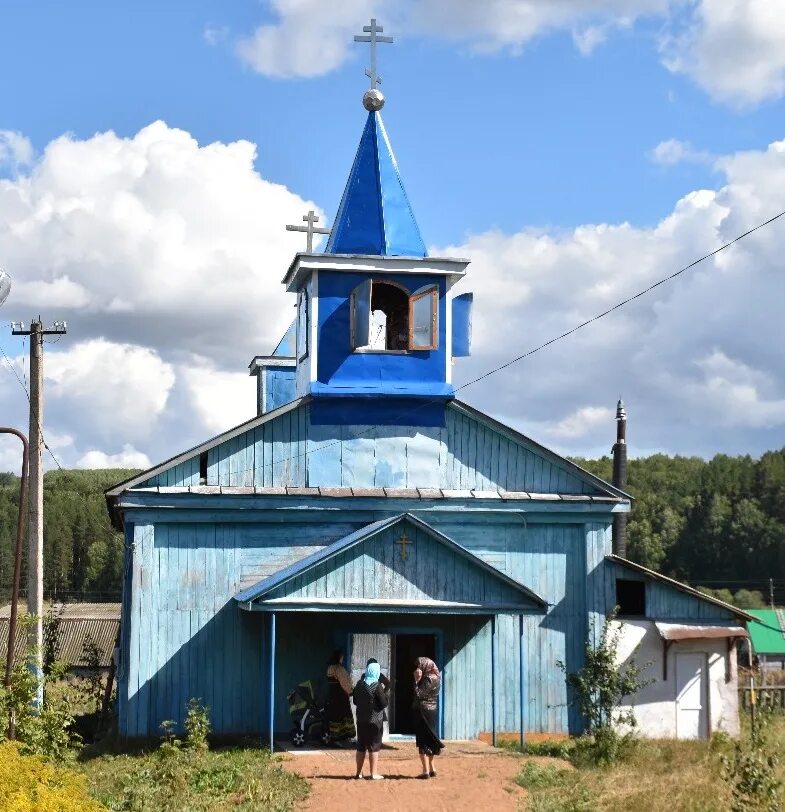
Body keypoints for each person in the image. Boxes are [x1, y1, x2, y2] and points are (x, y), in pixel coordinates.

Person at [352, 661, 389, 779]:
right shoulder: (377, 685)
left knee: (361, 745)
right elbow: (383, 704)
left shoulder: (359, 684)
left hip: (361, 720)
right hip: (375, 721)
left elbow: (355, 701)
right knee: (374, 745)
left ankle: (358, 773)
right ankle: (373, 773)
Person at [413, 657, 443, 778]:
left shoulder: (428, 679)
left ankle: (425, 771)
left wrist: (416, 681)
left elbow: (419, 694)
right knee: (430, 738)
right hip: (432, 710)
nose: (418, 668)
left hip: (423, 711)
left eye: (420, 666)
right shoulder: (436, 677)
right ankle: (432, 768)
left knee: (423, 740)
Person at [325, 650, 355, 743]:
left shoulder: (329, 668)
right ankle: (343, 738)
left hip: (332, 696)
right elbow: (345, 684)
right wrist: (351, 692)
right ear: (338, 658)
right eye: (342, 657)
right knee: (344, 716)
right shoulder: (339, 669)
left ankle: (335, 737)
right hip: (341, 697)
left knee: (335, 716)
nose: (343, 659)